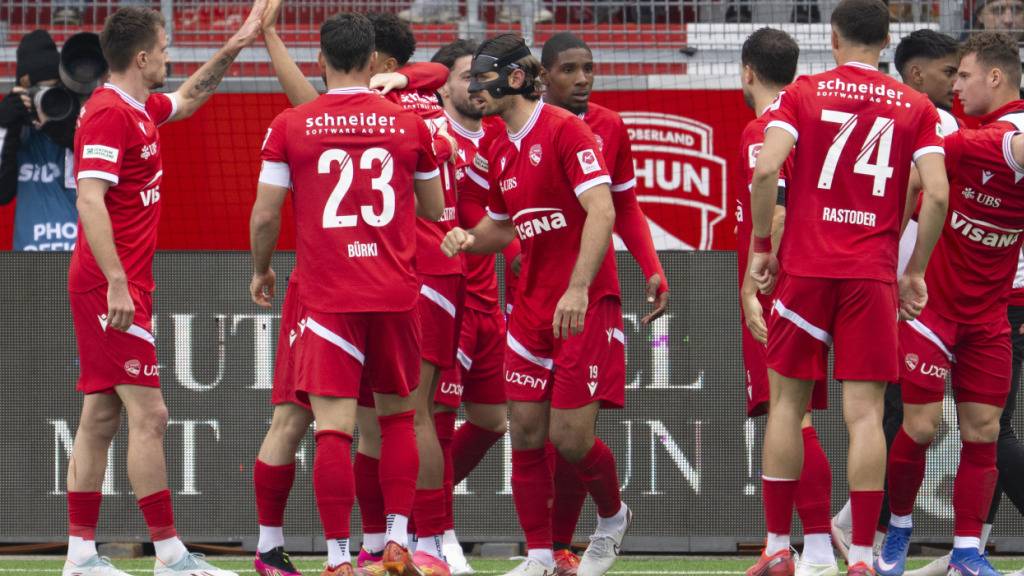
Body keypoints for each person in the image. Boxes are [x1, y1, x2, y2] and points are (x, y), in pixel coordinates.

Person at [748, 3, 949, 576]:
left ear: (832, 39)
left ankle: (777, 548)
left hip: (807, 271)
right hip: (870, 275)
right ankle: (861, 556)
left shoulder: (803, 93)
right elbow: (937, 193)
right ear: (886, 42)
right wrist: (916, 271)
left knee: (787, 406)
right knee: (865, 417)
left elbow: (766, 171)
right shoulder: (915, 105)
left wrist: (762, 246)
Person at [64, 3, 265, 576]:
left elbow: (189, 98)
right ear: (141, 57)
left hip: (119, 282)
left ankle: (80, 555)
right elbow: (89, 199)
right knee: (151, 415)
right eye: (164, 47)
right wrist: (117, 283)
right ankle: (170, 554)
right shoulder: (109, 114)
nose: (169, 56)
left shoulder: (139, 108)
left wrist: (235, 45)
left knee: (100, 418)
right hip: (109, 285)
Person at [259, 5, 458, 575]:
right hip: (395, 291)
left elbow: (266, 214)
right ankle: (395, 540)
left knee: (332, 429)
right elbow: (435, 208)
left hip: (328, 295)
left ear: (321, 58)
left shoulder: (293, 124)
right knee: (398, 420)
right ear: (373, 61)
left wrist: (260, 269)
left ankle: (338, 558)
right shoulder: (409, 124)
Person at [442, 33, 630, 576]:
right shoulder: (497, 145)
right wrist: (468, 239)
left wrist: (578, 287)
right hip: (529, 312)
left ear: (516, 79)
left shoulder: (567, 130)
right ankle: (541, 557)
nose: (474, 90)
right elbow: (503, 226)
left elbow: (603, 211)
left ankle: (614, 518)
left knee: (569, 438)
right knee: (524, 433)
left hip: (582, 304)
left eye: (483, 78)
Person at [874, 32, 1024, 576]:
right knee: (919, 428)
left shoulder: (1003, 137)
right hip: (932, 310)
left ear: (994, 77)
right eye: (952, 75)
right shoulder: (965, 142)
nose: (956, 86)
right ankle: (898, 529)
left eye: (963, 75)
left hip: (990, 319)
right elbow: (914, 186)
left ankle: (966, 553)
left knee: (984, 433)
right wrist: (892, 258)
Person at [536, 31, 669, 575]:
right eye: (569, 69)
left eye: (588, 68)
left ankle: (604, 521)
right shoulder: (514, 127)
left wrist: (652, 266)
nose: (583, 79)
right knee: (538, 436)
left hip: (590, 296)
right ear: (542, 75)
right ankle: (553, 550)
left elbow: (625, 204)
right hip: (532, 300)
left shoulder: (609, 126)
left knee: (570, 435)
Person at [832, 27, 961, 563]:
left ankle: (858, 525)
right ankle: (871, 529)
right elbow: (928, 194)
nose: (956, 83)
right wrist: (911, 266)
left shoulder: (865, 108)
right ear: (916, 73)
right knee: (894, 413)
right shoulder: (934, 120)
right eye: (949, 72)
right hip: (910, 283)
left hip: (865, 270)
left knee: (888, 410)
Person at [732, 28, 837, 576]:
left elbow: (774, 206)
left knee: (789, 415)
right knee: (793, 414)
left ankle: (812, 550)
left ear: (747, 70)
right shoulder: (808, 120)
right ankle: (811, 547)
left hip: (781, 283)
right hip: (812, 277)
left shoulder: (765, 128)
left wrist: (755, 283)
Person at [429, 38, 512, 576]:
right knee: (436, 419)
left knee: (492, 420)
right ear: (441, 87)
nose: (478, 86)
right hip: (448, 300)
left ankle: (419, 509)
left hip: (489, 303)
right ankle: (438, 531)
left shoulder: (502, 135)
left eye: (483, 76)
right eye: (466, 76)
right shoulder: (433, 133)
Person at [0, 30, 79, 251]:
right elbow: (2, 193)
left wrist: (55, 123)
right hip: (31, 260)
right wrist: (4, 127)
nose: (44, 97)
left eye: (52, 89)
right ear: (23, 88)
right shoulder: (15, 129)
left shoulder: (77, 122)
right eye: (37, 90)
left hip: (77, 256)